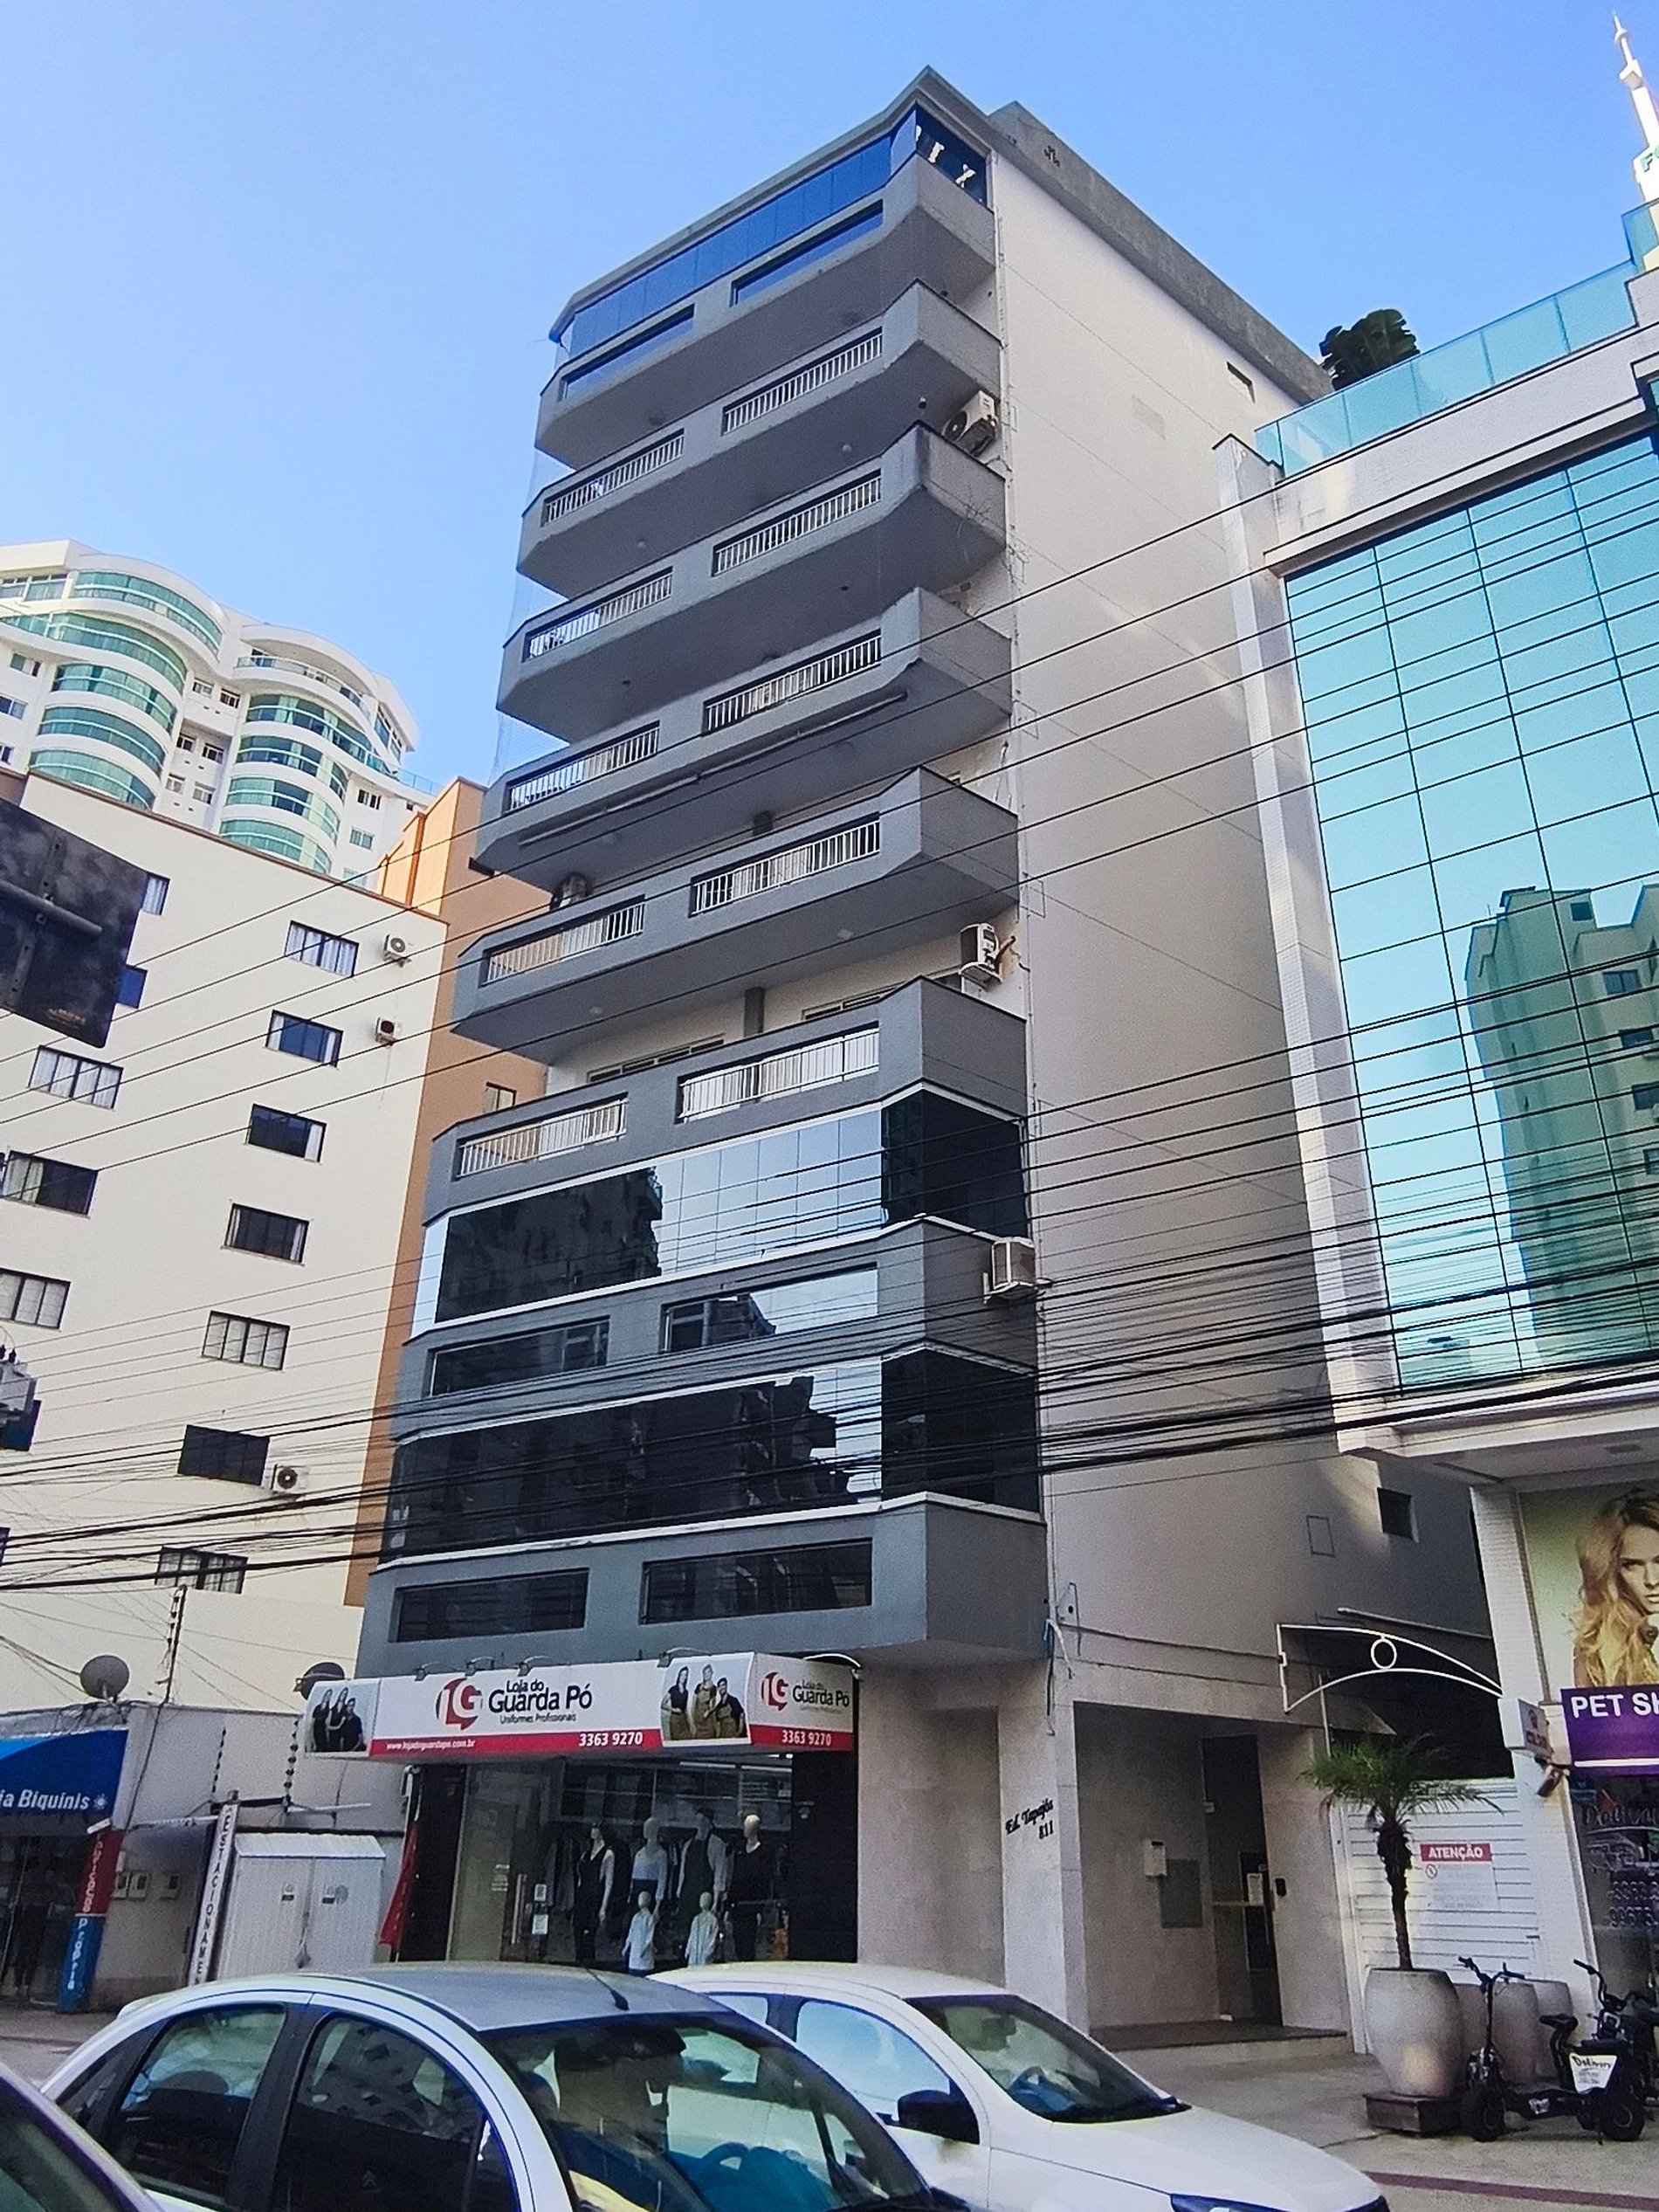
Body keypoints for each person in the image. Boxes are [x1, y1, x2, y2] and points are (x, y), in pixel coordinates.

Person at [1573, 1491, 1659, 1686]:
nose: (1652, 1580)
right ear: (1612, 1573)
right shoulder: (1596, 1645)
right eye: (1632, 1565)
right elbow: (1594, 1705)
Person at [623, 1889, 657, 1976]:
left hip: (643, 1953)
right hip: (635, 1950)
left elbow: (649, 1937)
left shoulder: (650, 1918)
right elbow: (631, 1933)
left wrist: (644, 1949)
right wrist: (627, 1946)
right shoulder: (636, 1917)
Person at [685, 1890, 720, 1967]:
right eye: (701, 1898)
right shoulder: (696, 1919)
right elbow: (691, 1936)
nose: (702, 1901)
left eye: (705, 1899)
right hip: (694, 1954)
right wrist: (688, 1949)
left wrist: (708, 1952)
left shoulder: (713, 1920)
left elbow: (713, 1938)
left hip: (705, 1954)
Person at [660, 1666, 691, 1742]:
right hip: (675, 1719)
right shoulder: (673, 1689)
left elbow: (685, 1709)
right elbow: (663, 1704)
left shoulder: (686, 1692)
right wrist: (673, 1709)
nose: (683, 1677)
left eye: (685, 1675)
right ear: (679, 1676)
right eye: (682, 1675)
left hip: (683, 1719)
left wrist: (689, 1722)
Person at [690, 1664, 719, 1740]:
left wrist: (708, 1712)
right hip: (698, 1719)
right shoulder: (698, 1687)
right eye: (705, 1673)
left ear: (712, 1673)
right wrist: (693, 1719)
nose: (707, 1675)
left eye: (708, 1672)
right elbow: (693, 1703)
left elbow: (713, 1705)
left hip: (708, 1719)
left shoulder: (714, 1688)